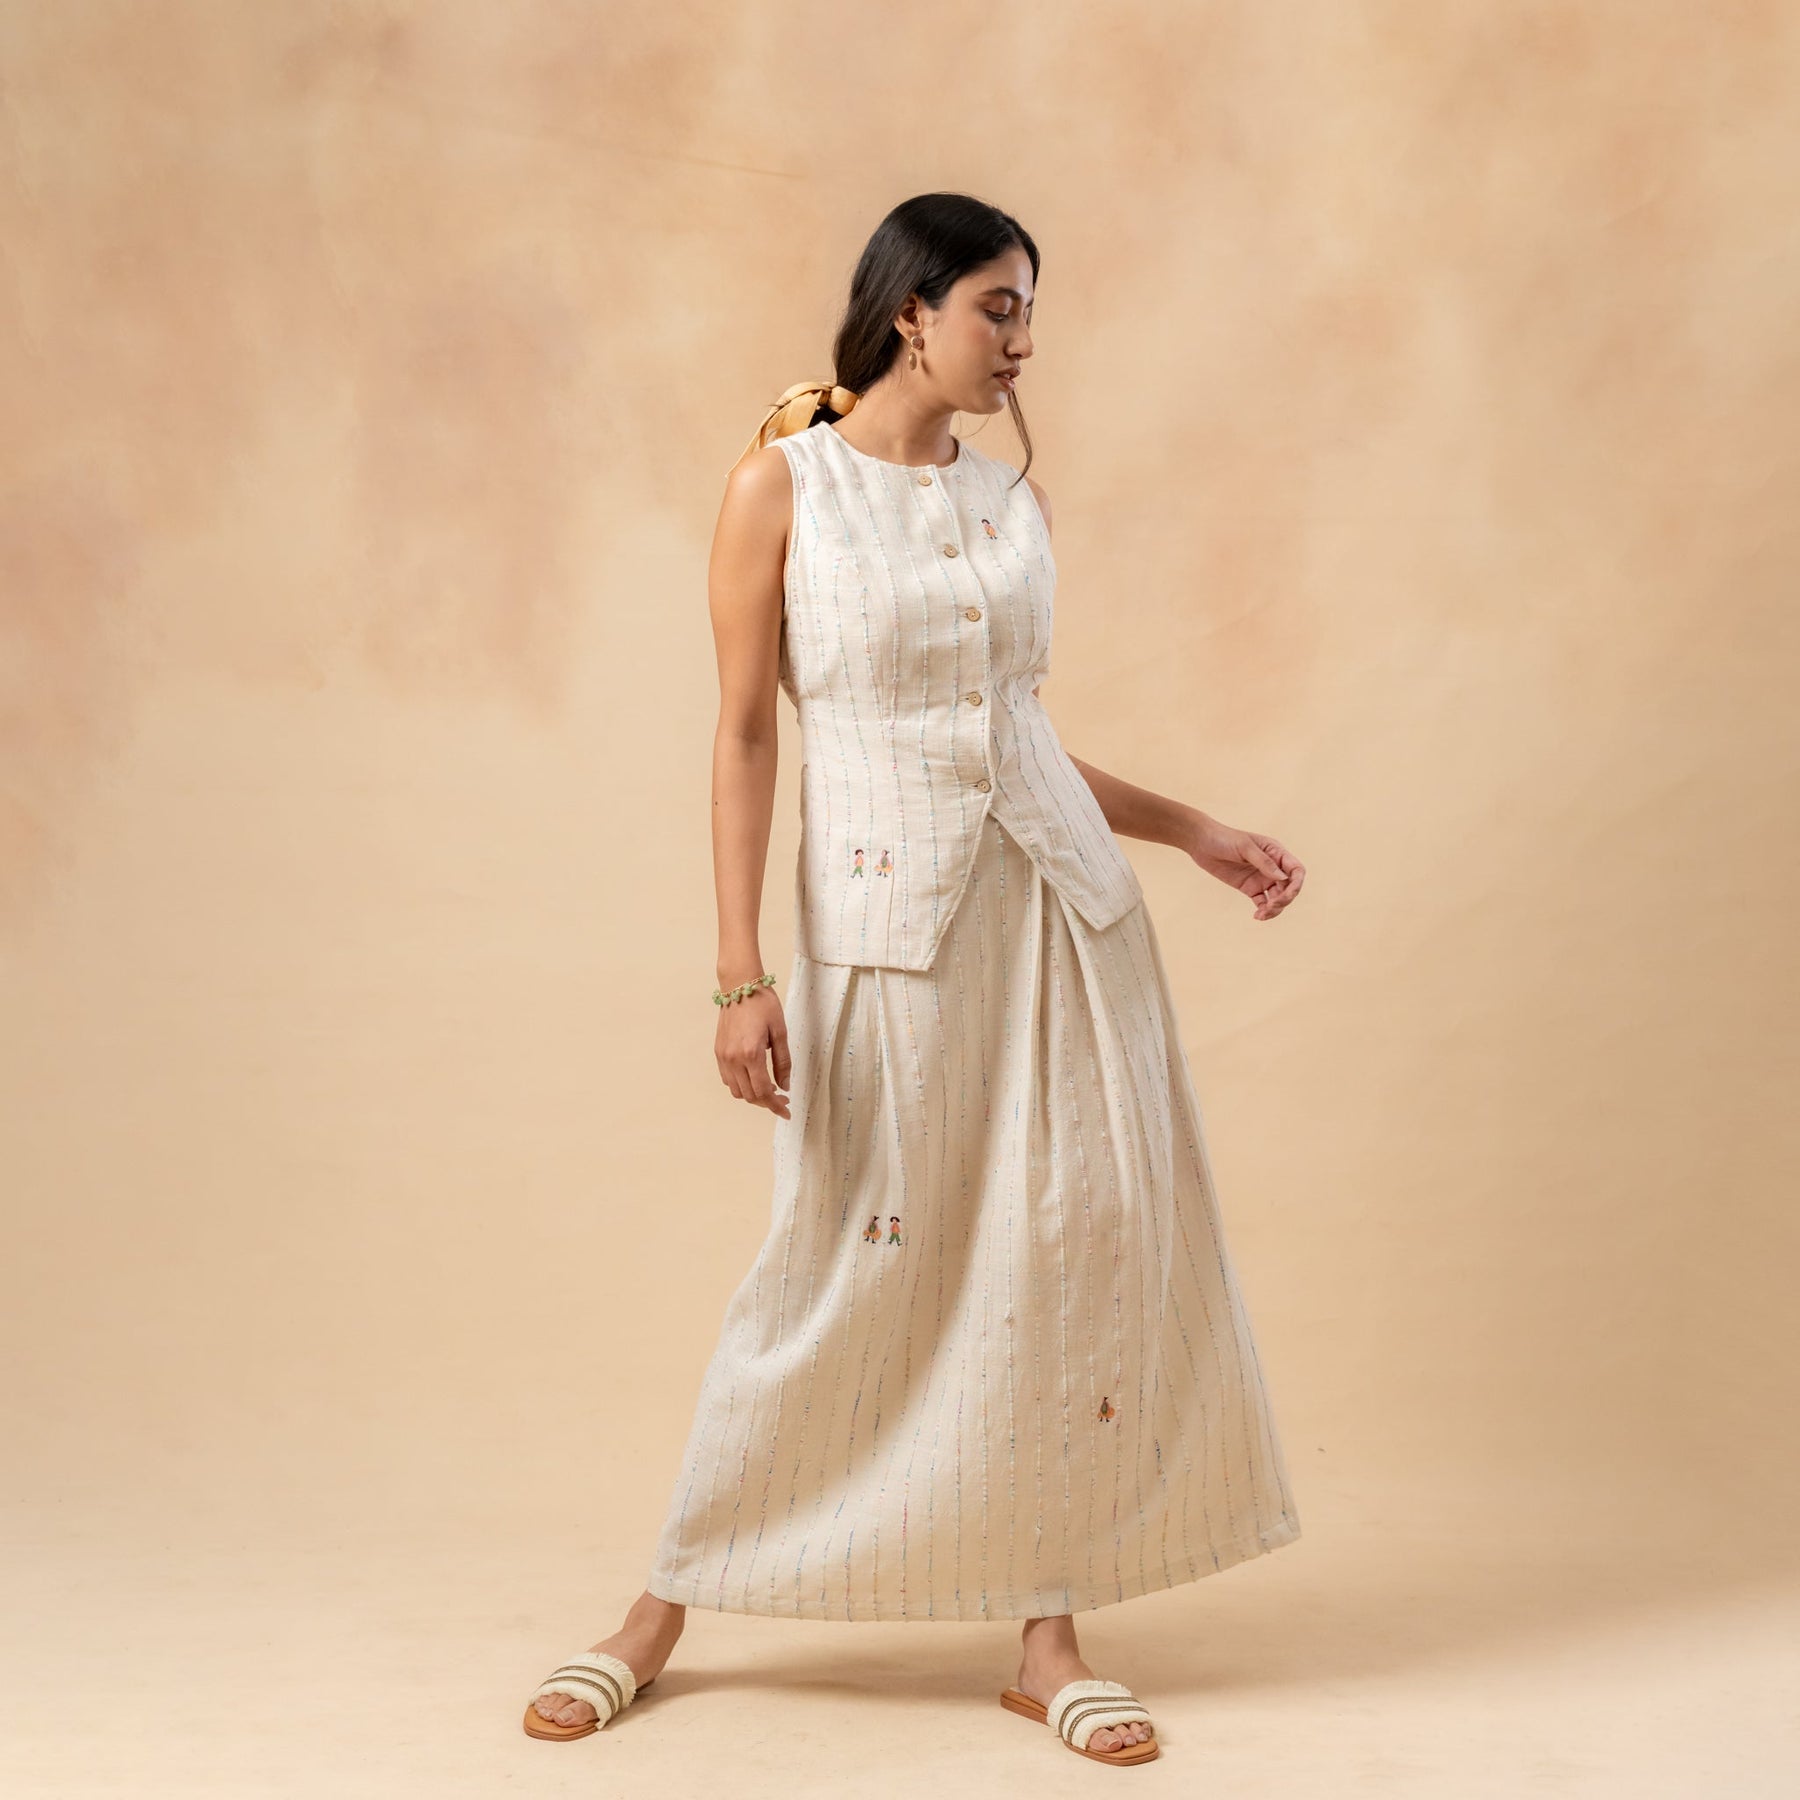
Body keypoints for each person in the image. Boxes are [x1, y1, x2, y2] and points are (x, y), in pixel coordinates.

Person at [523, 192, 1307, 1767]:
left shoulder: (1012, 502)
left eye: (1030, 313)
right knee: (833, 1264)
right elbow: (748, 733)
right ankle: (660, 1613)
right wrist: (737, 975)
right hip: (888, 929)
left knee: (1061, 1258)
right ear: (912, 313)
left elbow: (1017, 733)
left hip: (1063, 926)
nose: (1023, 343)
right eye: (999, 309)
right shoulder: (782, 487)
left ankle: (1048, 1639)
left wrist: (1193, 831)